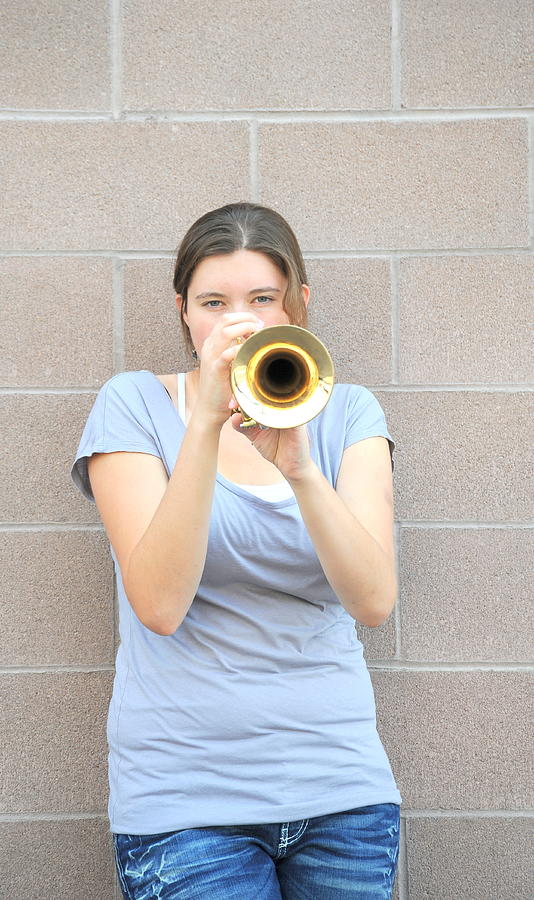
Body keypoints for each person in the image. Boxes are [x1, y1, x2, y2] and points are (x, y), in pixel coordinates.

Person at [71, 202, 402, 899]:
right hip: (185, 808)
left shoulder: (352, 413)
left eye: (261, 298)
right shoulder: (133, 405)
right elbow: (160, 604)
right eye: (212, 301)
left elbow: (373, 601)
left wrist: (301, 467)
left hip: (342, 793)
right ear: (184, 313)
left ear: (298, 305)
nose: (235, 319)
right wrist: (205, 424)